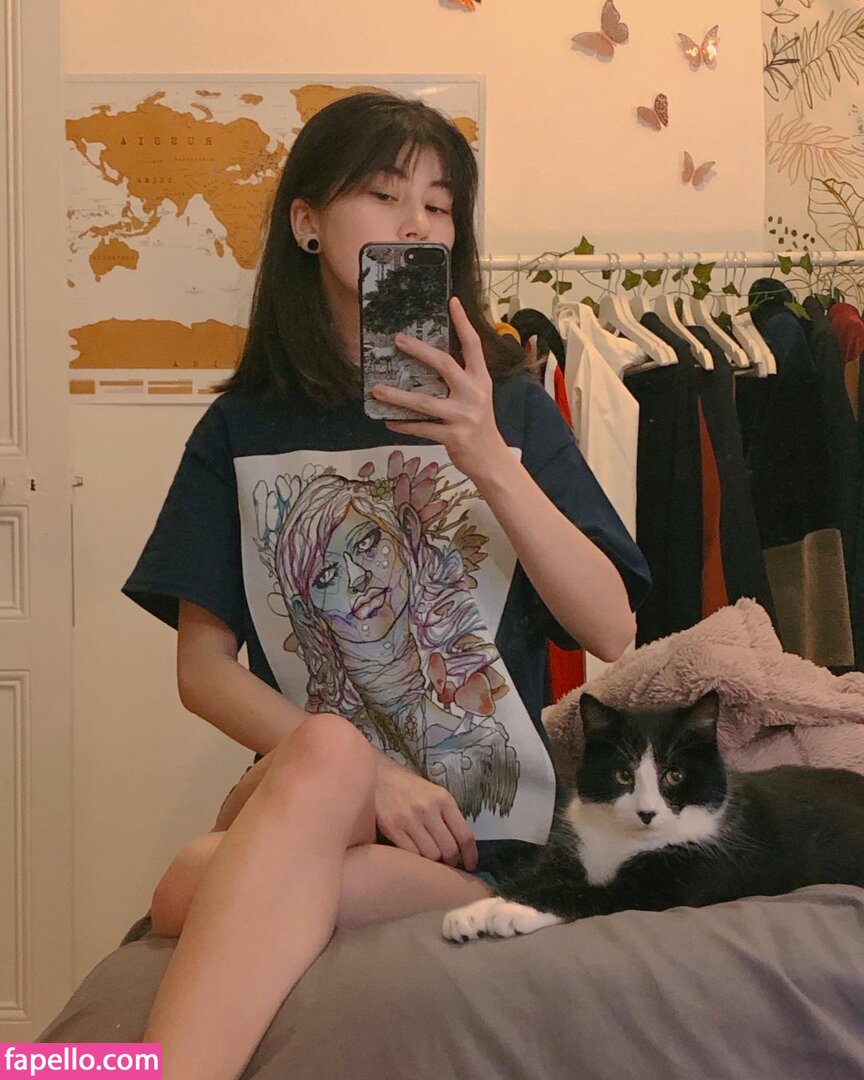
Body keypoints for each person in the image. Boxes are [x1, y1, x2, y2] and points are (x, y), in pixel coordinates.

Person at [122, 91, 651, 1080]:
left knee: (199, 879)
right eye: (384, 193)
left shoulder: (509, 409)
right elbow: (202, 670)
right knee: (327, 747)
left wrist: (487, 458)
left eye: (439, 206)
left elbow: (612, 627)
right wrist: (370, 773)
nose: (417, 224)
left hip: (482, 842)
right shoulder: (241, 429)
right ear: (307, 222)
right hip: (317, 795)